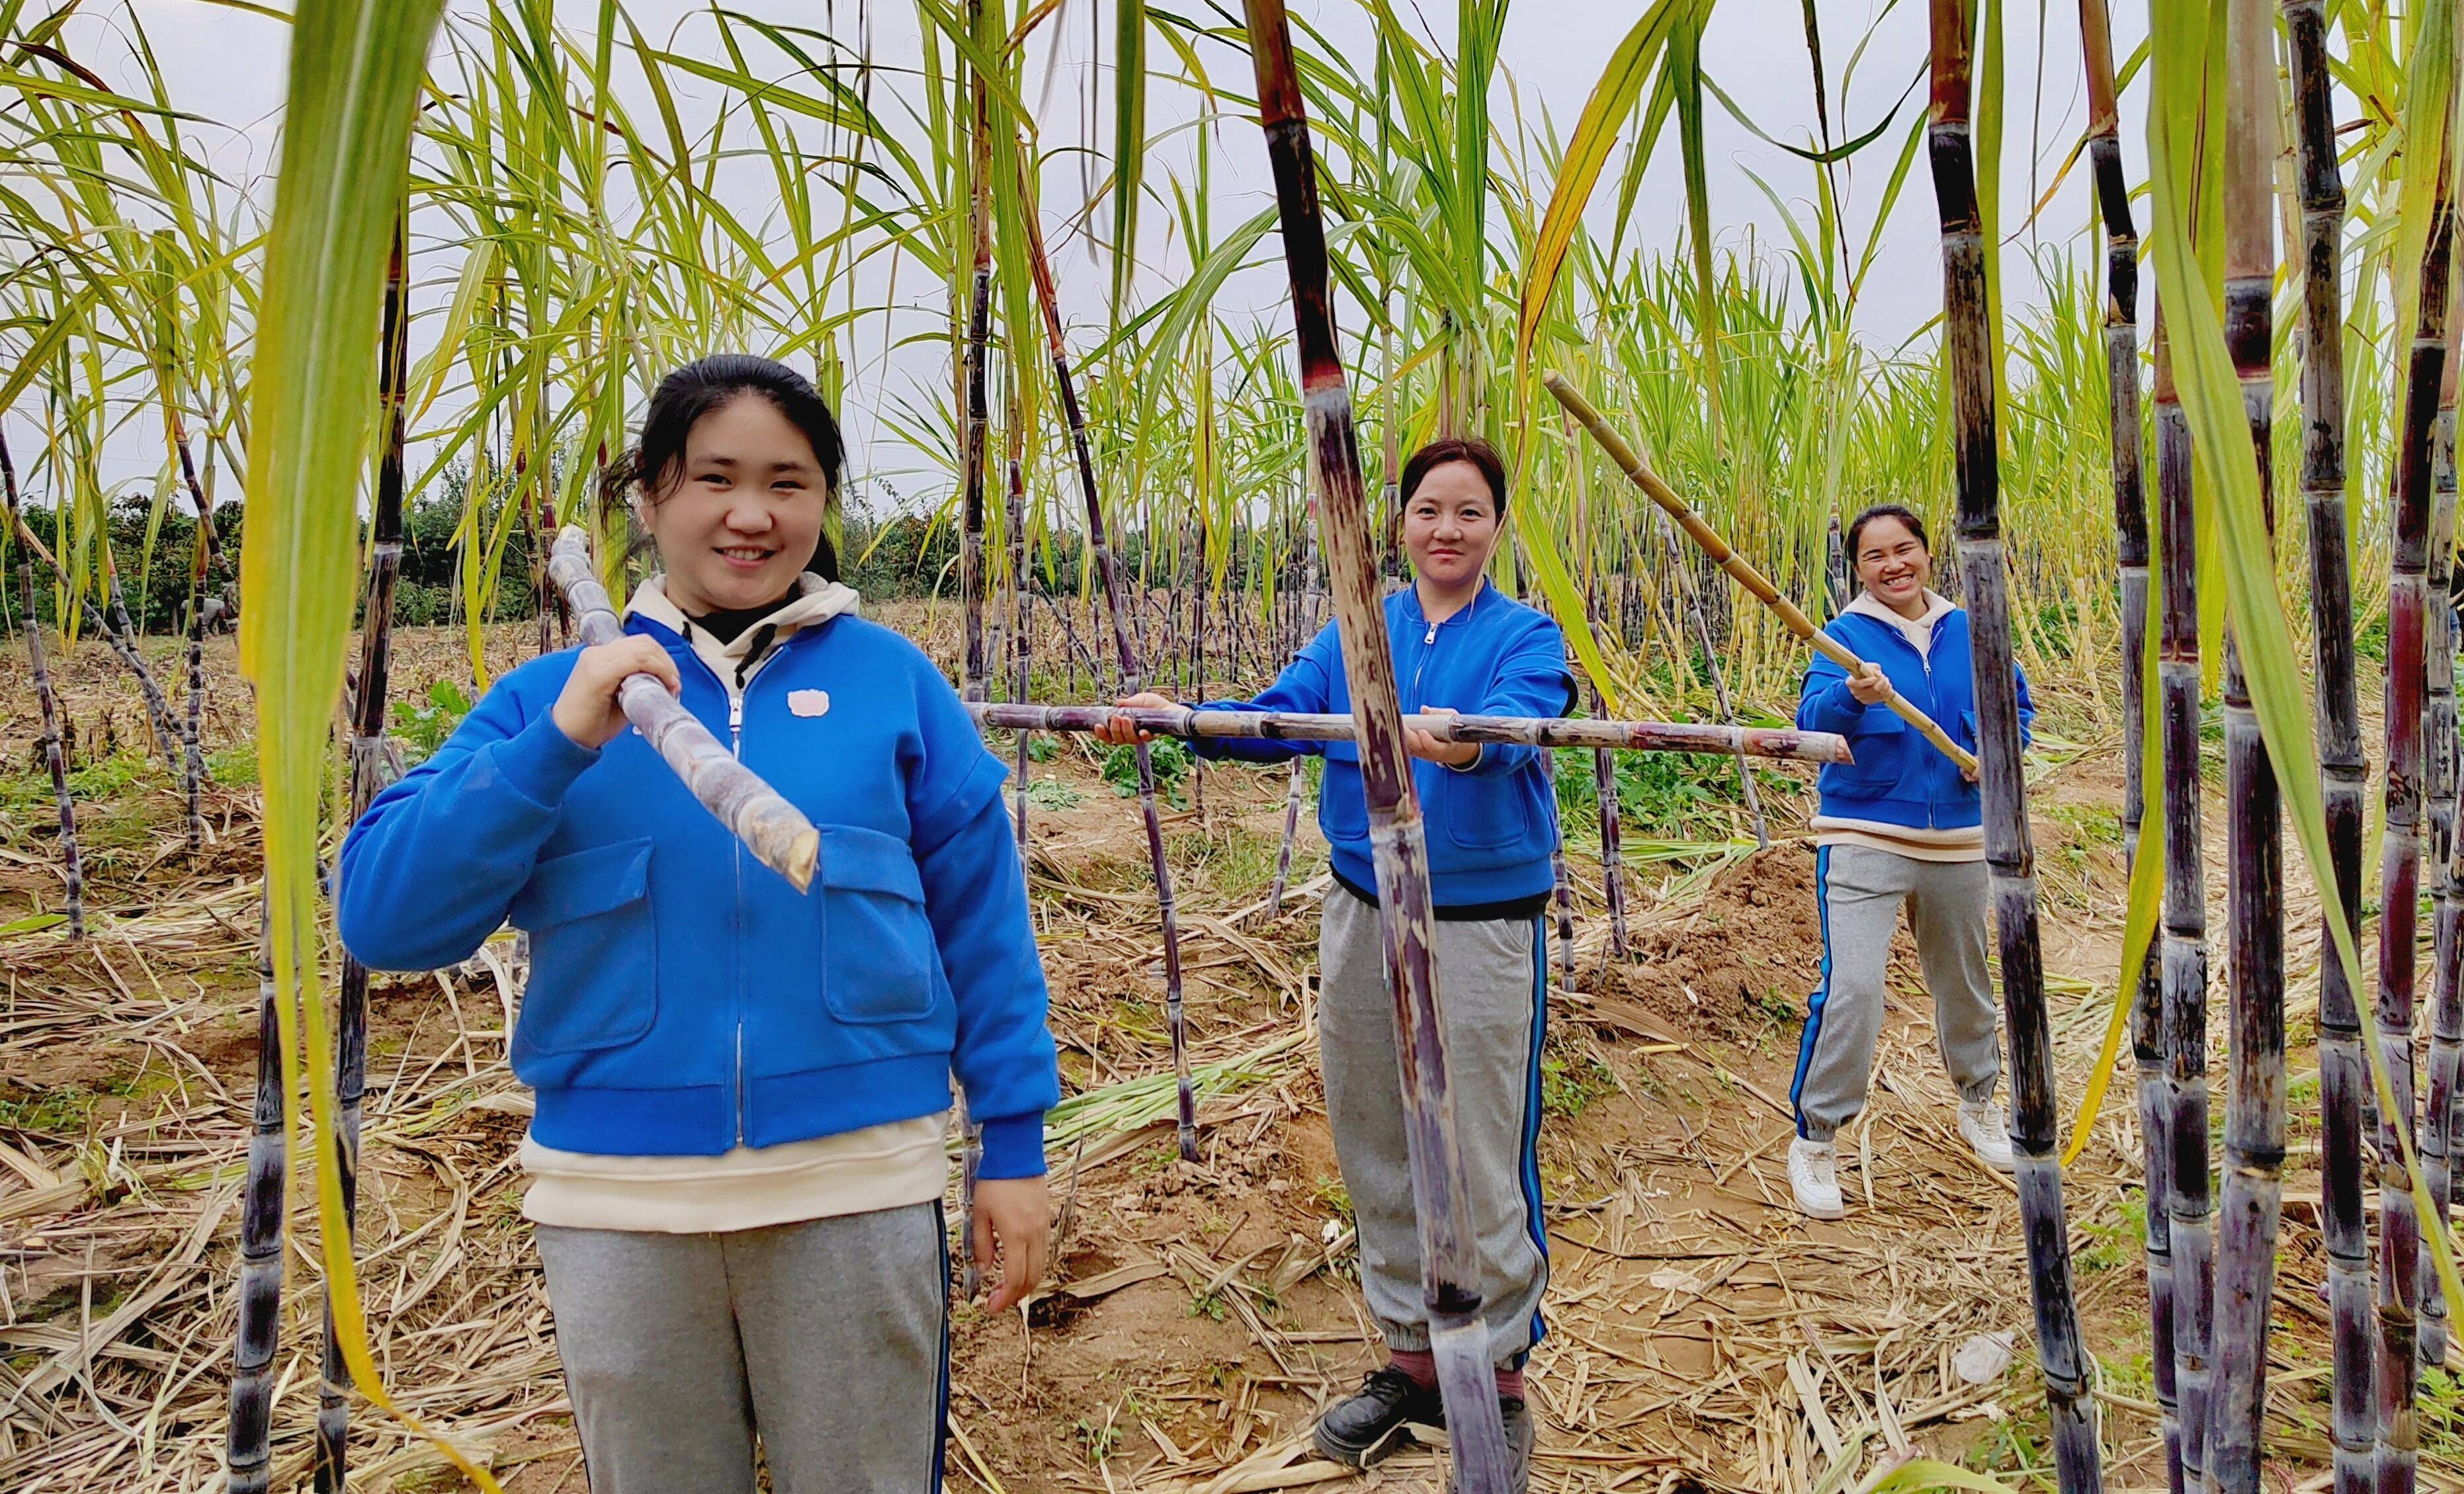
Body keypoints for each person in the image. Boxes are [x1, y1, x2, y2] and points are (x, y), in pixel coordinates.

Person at [337, 355, 1058, 1494]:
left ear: (824, 502)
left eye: (790, 481)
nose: (752, 513)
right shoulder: (548, 698)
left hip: (857, 1188)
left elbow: (983, 929)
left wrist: (1011, 1147)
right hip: (620, 1210)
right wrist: (562, 738)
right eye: (713, 476)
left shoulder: (892, 684)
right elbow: (385, 914)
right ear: (649, 496)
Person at [1102, 437, 1568, 1489]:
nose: (1446, 530)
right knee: (1372, 1130)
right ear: (1399, 525)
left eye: (1469, 513)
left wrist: (1454, 738)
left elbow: (1516, 728)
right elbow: (1282, 714)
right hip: (1365, 909)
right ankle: (1411, 1358)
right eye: (1427, 511)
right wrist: (1194, 722)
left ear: (1497, 528)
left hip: (1480, 920)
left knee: (1482, 1145)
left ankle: (1494, 1377)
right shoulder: (1363, 629)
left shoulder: (1522, 637)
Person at [1785, 502, 2029, 1221]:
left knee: (1965, 983)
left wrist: (1996, 755)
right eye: (1874, 556)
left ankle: (1979, 1103)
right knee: (1853, 989)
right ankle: (1816, 1139)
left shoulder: (1973, 627)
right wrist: (1851, 698)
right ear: (1857, 569)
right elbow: (1812, 723)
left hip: (1958, 838)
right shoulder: (1843, 637)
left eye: (1904, 550)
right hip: (1863, 831)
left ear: (1927, 554)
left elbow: (2015, 708)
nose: (1892, 565)